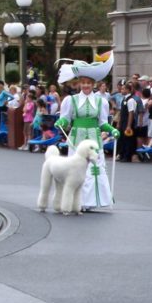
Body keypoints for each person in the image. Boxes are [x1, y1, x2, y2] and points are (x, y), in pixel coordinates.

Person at [54, 53, 119, 210]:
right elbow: (66, 119)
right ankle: (77, 202)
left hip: (94, 140)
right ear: (79, 84)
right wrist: (61, 122)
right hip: (77, 139)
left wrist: (112, 130)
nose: (85, 85)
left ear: (93, 84)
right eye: (83, 82)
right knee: (76, 170)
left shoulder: (101, 102)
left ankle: (91, 202)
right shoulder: (71, 100)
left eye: (88, 83)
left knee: (94, 169)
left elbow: (102, 123)